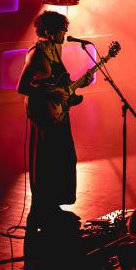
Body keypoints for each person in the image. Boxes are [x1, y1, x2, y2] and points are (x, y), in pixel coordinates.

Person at [17, 11, 92, 223]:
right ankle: (42, 208)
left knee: (63, 158)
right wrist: (51, 93)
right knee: (46, 160)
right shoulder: (36, 55)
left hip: (58, 112)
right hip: (44, 115)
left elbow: (58, 83)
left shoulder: (54, 50)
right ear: (49, 32)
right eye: (62, 29)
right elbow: (21, 87)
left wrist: (75, 89)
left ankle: (54, 205)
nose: (65, 32)